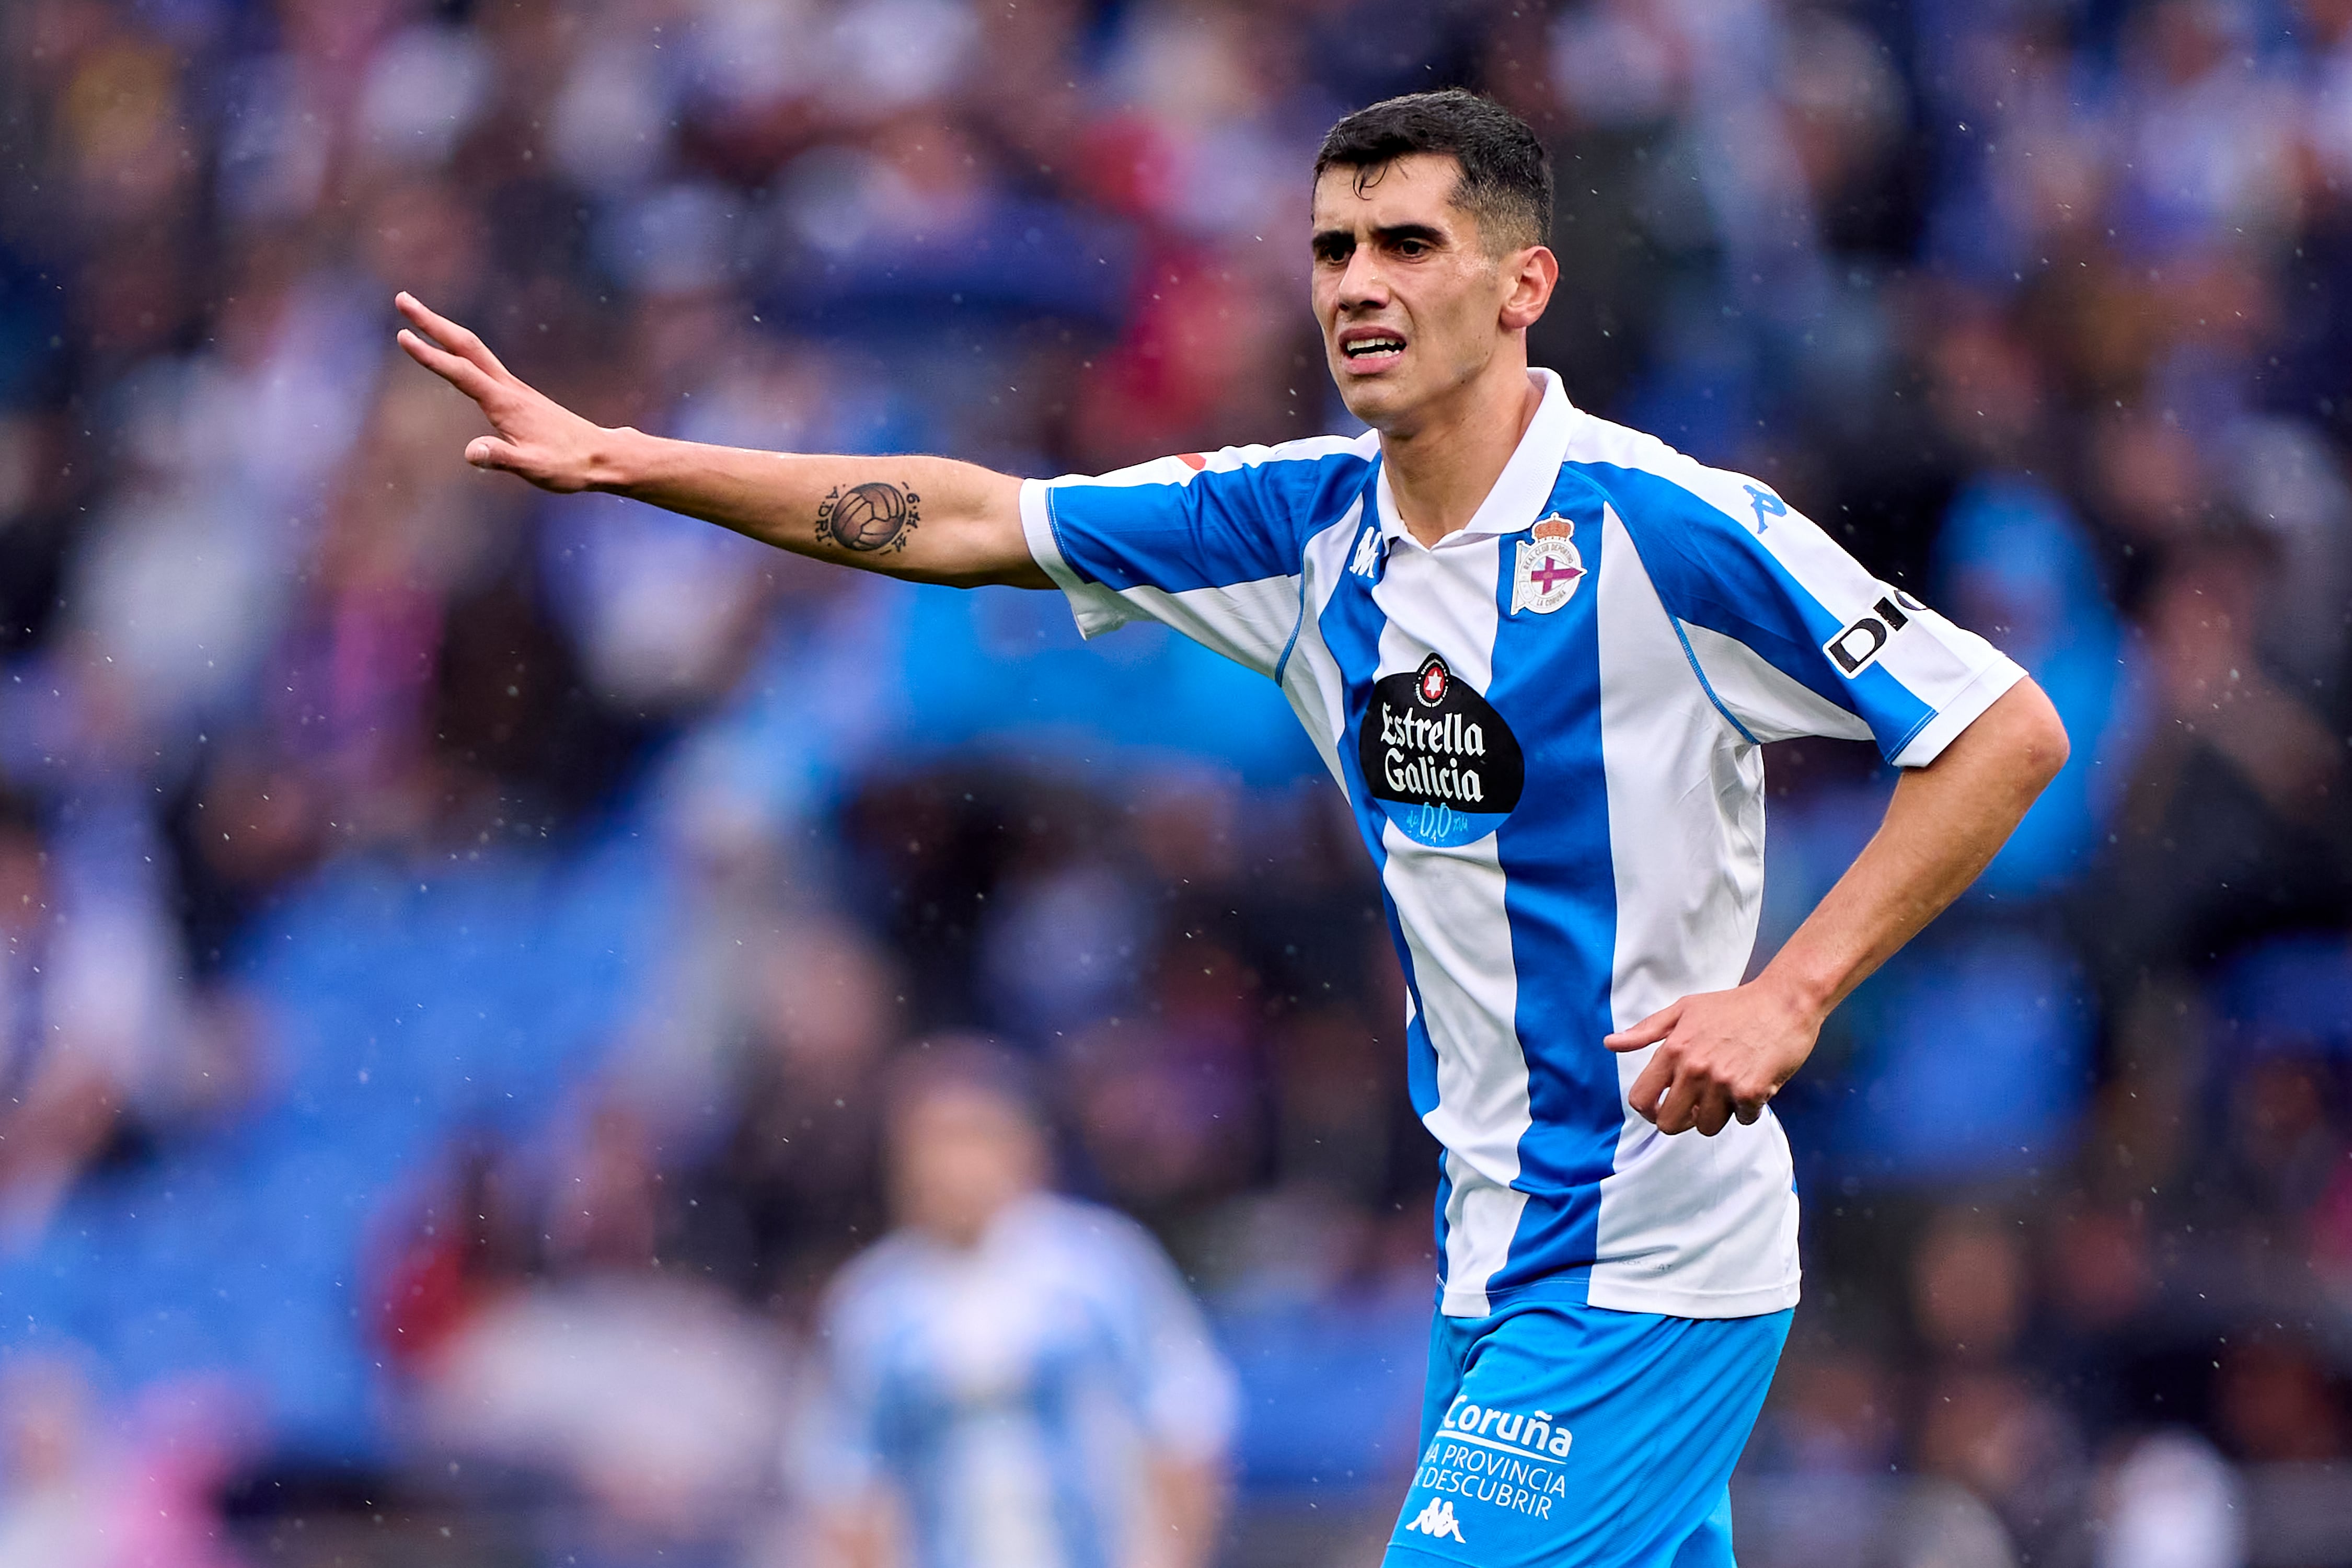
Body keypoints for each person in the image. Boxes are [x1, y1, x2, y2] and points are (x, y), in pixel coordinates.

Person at [396, 87, 2068, 1568]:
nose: (1358, 284)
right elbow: (977, 517)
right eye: (1334, 247)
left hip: (1645, 1240)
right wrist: (631, 457)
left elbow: (2004, 725)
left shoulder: (1664, 528)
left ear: (1522, 285)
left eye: (1408, 243)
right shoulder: (1301, 528)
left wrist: (1793, 992)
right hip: (1489, 1248)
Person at [795, 1045, 1236, 1568]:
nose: (952, 1165)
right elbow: (847, 1486)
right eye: (933, 1142)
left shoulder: (1103, 1269)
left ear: (1025, 1146)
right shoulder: (872, 1304)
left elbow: (1186, 1429)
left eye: (973, 1136)